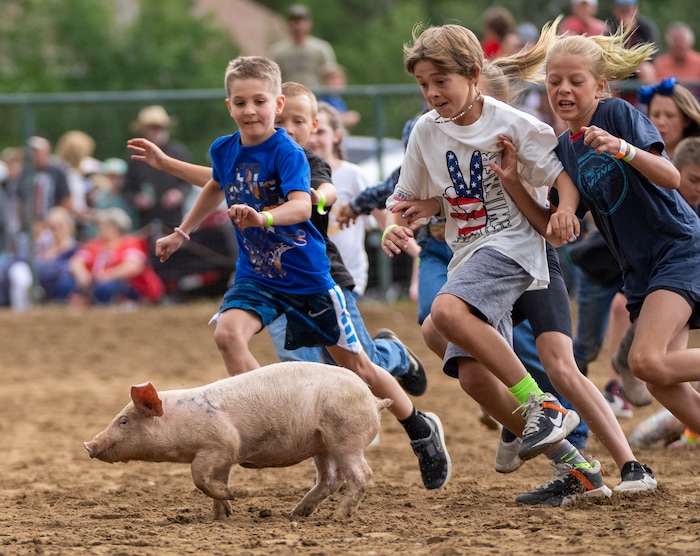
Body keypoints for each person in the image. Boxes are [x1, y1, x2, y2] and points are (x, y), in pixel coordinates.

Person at [381, 21, 654, 507]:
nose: (431, 93)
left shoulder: (516, 124)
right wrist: (399, 220)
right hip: (474, 260)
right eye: (423, 84)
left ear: (471, 74)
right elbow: (408, 197)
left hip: (519, 250)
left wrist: (566, 210)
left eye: (440, 81)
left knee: (551, 363)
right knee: (467, 372)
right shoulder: (425, 131)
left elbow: (562, 178)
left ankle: (583, 431)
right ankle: (580, 468)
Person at [152, 55, 450, 490]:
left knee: (356, 368)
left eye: (258, 101)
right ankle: (256, 423)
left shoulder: (292, 152)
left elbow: (306, 203)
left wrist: (263, 218)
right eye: (240, 102)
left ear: (275, 103)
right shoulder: (224, 148)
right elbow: (217, 183)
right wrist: (181, 231)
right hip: (256, 276)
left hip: (309, 278)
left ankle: (419, 427)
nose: (249, 110)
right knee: (227, 335)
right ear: (228, 105)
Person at [126, 81, 428, 397]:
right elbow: (221, 180)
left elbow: (332, 191)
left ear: (323, 131)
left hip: (329, 276)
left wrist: (321, 200)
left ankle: (394, 356)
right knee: (303, 369)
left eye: (301, 123)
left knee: (360, 365)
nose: (288, 129)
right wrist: (166, 167)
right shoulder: (267, 156)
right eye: (283, 121)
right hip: (274, 278)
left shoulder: (309, 162)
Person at [536, 19, 700, 480]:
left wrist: (623, 149)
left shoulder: (616, 116)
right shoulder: (564, 148)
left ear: (601, 85)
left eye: (575, 81)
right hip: (640, 270)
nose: (563, 89)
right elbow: (560, 224)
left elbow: (670, 178)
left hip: (677, 247)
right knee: (658, 378)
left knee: (644, 361)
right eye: (554, 82)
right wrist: (540, 201)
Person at [626, 136, 700, 450]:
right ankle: (691, 432)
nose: (698, 187)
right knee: (658, 377)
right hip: (649, 275)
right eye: (694, 179)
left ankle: (686, 432)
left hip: (679, 268)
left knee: (646, 361)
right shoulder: (654, 189)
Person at [308, 101, 377, 298]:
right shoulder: (293, 176)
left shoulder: (353, 175)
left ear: (336, 135)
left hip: (347, 275)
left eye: (320, 131)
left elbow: (381, 215)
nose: (313, 138)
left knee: (340, 325)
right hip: (308, 276)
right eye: (310, 130)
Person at [58, 207, 164, 306]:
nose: (100, 229)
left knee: (106, 287)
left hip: (120, 283)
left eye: (103, 225)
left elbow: (134, 266)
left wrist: (107, 275)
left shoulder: (129, 242)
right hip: (93, 281)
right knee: (65, 282)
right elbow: (76, 261)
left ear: (115, 228)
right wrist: (82, 275)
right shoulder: (95, 244)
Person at [122, 105, 192, 232]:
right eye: (153, 128)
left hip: (173, 219)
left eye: (161, 127)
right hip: (145, 221)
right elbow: (127, 188)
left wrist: (178, 193)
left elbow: (188, 182)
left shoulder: (178, 152)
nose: (158, 132)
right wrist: (137, 198)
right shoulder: (135, 155)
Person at [268, 4, 336, 88]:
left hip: (315, 95)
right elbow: (272, 77)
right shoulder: (278, 50)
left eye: (301, 20)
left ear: (309, 23)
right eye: (294, 21)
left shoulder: (321, 48)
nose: (298, 25)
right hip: (288, 95)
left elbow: (331, 76)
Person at [604, 0, 660, 94]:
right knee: (611, 76)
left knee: (646, 70)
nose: (625, 12)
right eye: (622, 9)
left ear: (635, 9)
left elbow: (653, 53)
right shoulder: (611, 28)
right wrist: (625, 31)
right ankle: (612, 106)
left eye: (628, 9)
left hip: (640, 65)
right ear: (615, 10)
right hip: (619, 66)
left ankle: (649, 101)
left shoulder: (646, 27)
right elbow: (608, 56)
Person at [318, 63, 361, 130]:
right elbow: (329, 120)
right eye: (333, 79)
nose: (338, 81)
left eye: (341, 78)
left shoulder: (337, 98)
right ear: (324, 81)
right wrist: (347, 117)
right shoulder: (323, 99)